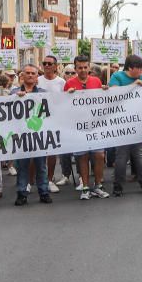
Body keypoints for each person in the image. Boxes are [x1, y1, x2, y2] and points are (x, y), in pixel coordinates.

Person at [64, 55, 111, 199]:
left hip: (95, 125)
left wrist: (105, 90)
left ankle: (98, 185)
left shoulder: (96, 81)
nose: (83, 70)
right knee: (82, 157)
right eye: (80, 67)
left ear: (89, 67)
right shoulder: (69, 83)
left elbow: (103, 102)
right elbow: (63, 105)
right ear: (75, 68)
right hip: (79, 126)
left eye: (85, 67)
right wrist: (67, 95)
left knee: (99, 155)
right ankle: (85, 187)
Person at [109, 54, 142, 196]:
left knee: (140, 155)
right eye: (139, 68)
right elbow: (114, 95)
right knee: (121, 156)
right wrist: (133, 85)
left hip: (138, 123)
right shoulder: (117, 77)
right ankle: (118, 186)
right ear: (130, 68)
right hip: (122, 123)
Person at [11, 64, 53, 206]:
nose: (30, 75)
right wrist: (16, 99)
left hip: (38, 135)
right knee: (22, 166)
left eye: (33, 73)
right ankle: (22, 193)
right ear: (22, 75)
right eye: (27, 73)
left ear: (37, 77)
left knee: (41, 165)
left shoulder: (43, 93)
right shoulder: (13, 93)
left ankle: (44, 192)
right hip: (21, 135)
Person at [36, 55, 67, 191]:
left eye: (50, 64)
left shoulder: (61, 82)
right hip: (37, 120)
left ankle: (49, 179)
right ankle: (31, 181)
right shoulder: (37, 80)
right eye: (45, 63)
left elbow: (65, 101)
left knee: (52, 152)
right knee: (36, 152)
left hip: (55, 120)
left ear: (55, 66)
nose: (47, 66)